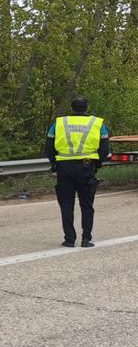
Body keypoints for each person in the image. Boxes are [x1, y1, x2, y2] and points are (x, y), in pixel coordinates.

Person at [45, 96, 110, 248]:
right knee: (87, 205)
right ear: (87, 107)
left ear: (71, 107)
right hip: (86, 168)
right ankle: (86, 239)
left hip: (64, 168)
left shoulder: (60, 122)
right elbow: (105, 148)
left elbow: (48, 147)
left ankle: (69, 239)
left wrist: (54, 163)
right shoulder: (97, 123)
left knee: (66, 205)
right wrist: (97, 164)